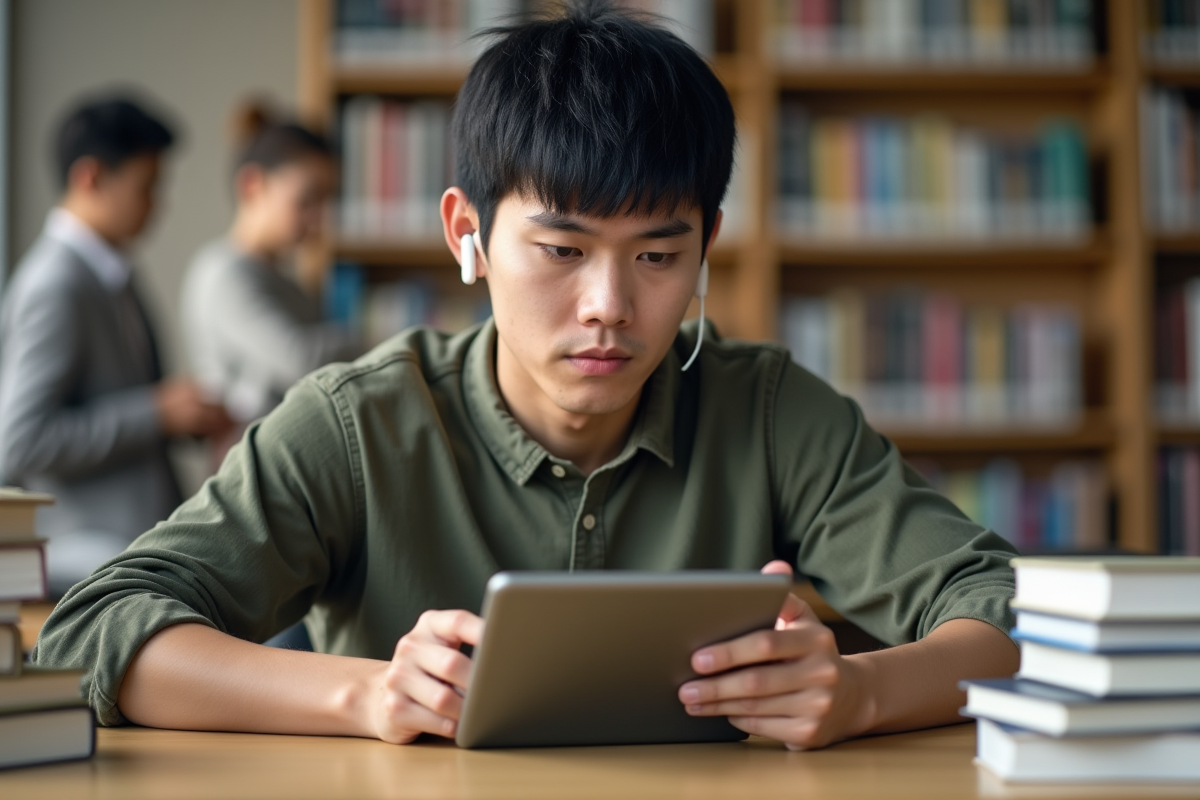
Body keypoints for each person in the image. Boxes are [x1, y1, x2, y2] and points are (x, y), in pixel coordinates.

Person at [34, 3, 1019, 751]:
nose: (608, 306)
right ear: (468, 234)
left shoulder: (763, 408)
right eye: (561, 250)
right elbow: (88, 632)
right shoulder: (358, 421)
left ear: (708, 242)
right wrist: (368, 692)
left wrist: (861, 690)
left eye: (657, 256)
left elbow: (1006, 609)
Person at [0, 95, 232, 596]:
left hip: (140, 547)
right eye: (146, 188)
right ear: (91, 178)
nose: (157, 205)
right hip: (94, 561)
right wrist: (156, 413)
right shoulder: (54, 285)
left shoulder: (111, 273)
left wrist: (184, 417)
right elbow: (21, 439)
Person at [181, 103, 360, 454]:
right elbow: (301, 359)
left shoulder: (286, 281)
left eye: (326, 202)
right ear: (252, 186)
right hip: (250, 469)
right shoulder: (223, 273)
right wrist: (383, 338)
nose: (318, 219)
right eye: (307, 200)